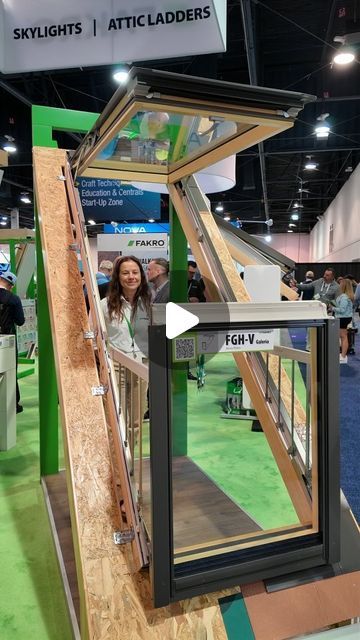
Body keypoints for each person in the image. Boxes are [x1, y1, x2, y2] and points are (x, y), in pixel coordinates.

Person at [100, 256, 151, 434]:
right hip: (117, 365)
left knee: (136, 420)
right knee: (116, 416)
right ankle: (116, 459)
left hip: (141, 364)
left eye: (135, 272)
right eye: (126, 273)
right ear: (118, 277)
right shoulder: (105, 306)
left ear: (141, 276)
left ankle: (129, 460)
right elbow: (96, 336)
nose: (131, 277)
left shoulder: (149, 304)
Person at [0, 271, 25, 413]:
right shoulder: (13, 299)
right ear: (11, 285)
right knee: (9, 371)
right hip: (7, 340)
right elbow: (20, 321)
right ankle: (13, 404)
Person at [331, 278, 354, 364]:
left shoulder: (344, 297)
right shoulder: (345, 295)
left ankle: (343, 356)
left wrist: (332, 308)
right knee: (342, 336)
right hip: (343, 318)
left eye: (341, 284)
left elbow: (342, 309)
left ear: (344, 285)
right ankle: (342, 355)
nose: (339, 285)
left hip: (343, 318)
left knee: (343, 337)